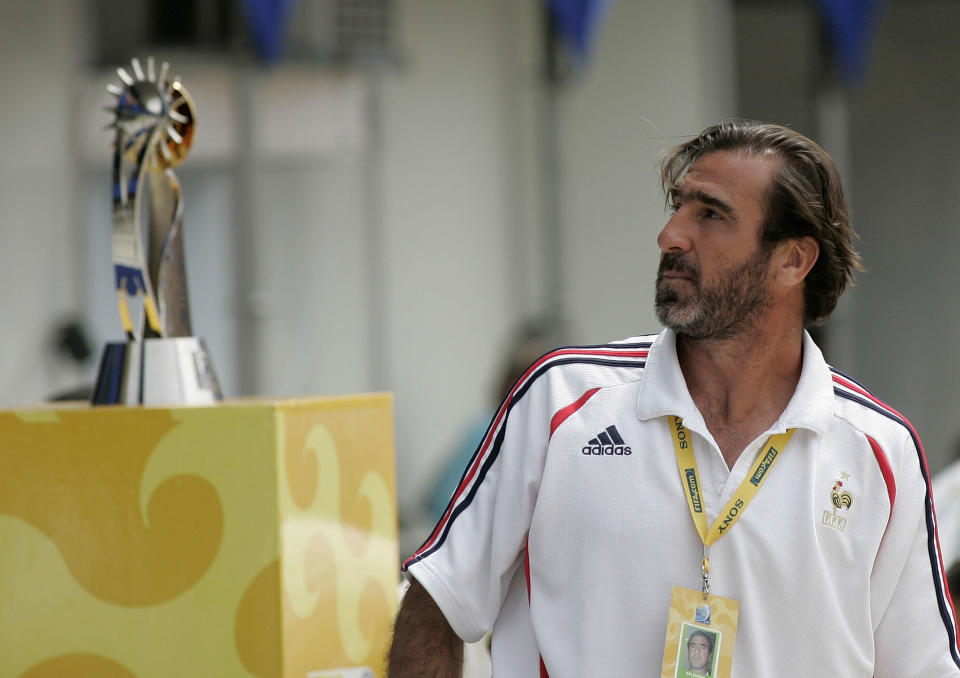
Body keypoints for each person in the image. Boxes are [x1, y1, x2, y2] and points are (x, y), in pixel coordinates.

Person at [387, 121, 960, 676]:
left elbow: (922, 664)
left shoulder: (880, 451)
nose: (671, 235)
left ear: (793, 260)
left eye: (710, 214)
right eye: (678, 207)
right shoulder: (559, 400)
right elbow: (436, 602)